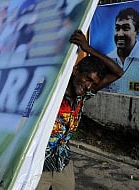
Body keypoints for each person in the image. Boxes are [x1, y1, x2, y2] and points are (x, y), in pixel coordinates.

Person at [36, 29, 124, 190]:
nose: (89, 86)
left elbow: (118, 72)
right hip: (37, 165)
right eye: (87, 79)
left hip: (61, 161)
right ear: (76, 71)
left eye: (94, 84)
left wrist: (88, 49)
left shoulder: (83, 96)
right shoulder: (52, 93)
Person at [106, 7, 139, 97]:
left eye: (126, 28)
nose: (120, 34)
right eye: (117, 28)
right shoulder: (108, 59)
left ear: (137, 32)